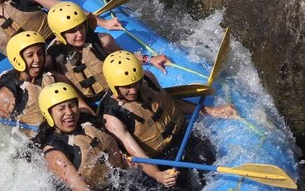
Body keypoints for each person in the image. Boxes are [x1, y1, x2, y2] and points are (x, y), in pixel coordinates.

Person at [35, 83, 183, 191]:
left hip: (118, 184)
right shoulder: (55, 151)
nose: (69, 113)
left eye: (72, 106)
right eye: (61, 109)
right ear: (48, 113)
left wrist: (133, 165)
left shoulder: (87, 121)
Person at [99, 50, 237, 161]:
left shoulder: (148, 79)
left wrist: (211, 111)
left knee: (207, 158)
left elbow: (170, 103)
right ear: (114, 85)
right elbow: (139, 157)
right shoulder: (112, 116)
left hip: (183, 136)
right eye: (127, 87)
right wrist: (158, 175)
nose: (134, 90)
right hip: (159, 158)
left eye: (135, 83)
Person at [45, 2, 170, 103]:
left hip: (116, 95)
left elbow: (125, 59)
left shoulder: (102, 41)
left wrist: (149, 59)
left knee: (147, 76)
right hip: (87, 104)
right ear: (60, 34)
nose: (79, 34)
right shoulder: (54, 56)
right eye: (72, 31)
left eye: (81, 27)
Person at [0, 30, 93, 131]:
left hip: (61, 133)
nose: (37, 59)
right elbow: (0, 131)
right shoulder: (7, 93)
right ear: (17, 59)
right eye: (30, 55)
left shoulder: (55, 77)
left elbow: (83, 107)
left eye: (40, 53)